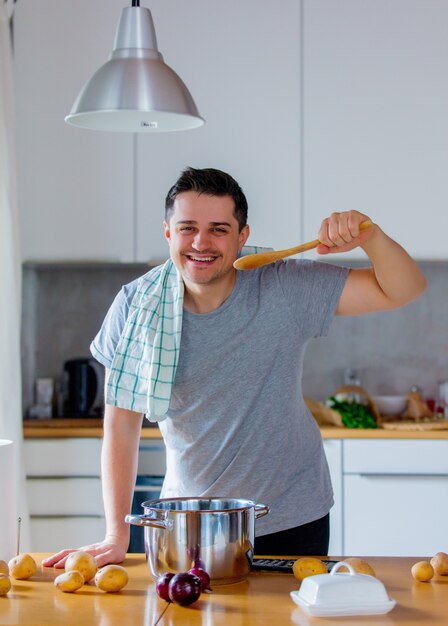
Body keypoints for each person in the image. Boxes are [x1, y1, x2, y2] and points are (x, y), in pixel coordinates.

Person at [43, 167, 426, 569]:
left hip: (291, 514)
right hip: (190, 520)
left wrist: (372, 238)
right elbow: (121, 425)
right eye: (188, 227)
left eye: (219, 229)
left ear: (242, 236)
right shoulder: (135, 305)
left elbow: (404, 288)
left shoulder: (282, 285)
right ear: (168, 232)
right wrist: (115, 535)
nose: (201, 243)